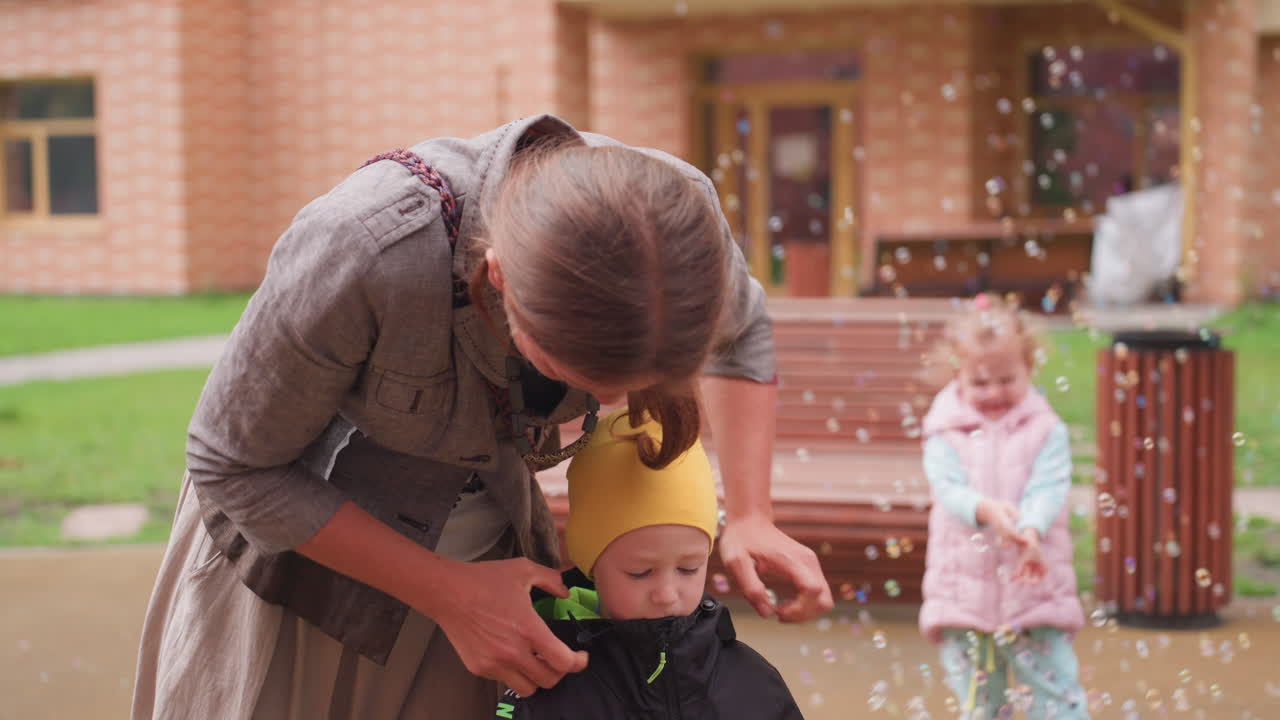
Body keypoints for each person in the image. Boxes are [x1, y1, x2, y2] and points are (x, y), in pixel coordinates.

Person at [130, 114, 832, 720]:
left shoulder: (679, 231)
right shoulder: (366, 244)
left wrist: (751, 514)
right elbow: (234, 464)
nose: (613, 405)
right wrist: (448, 595)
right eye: (581, 379)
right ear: (498, 278)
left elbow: (745, 330)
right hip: (295, 569)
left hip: (484, 577)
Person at [495, 409, 804, 719]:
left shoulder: (752, 681)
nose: (667, 594)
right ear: (591, 565)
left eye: (689, 568)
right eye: (640, 573)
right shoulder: (541, 676)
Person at [918, 293, 1088, 719]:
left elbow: (1049, 487)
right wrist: (985, 510)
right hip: (964, 598)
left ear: (1029, 367)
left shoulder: (1046, 428)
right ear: (958, 373)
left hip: (1034, 591)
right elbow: (948, 488)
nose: (994, 391)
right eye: (980, 382)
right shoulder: (944, 430)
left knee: (1057, 697)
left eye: (1007, 379)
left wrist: (1030, 527)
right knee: (981, 706)